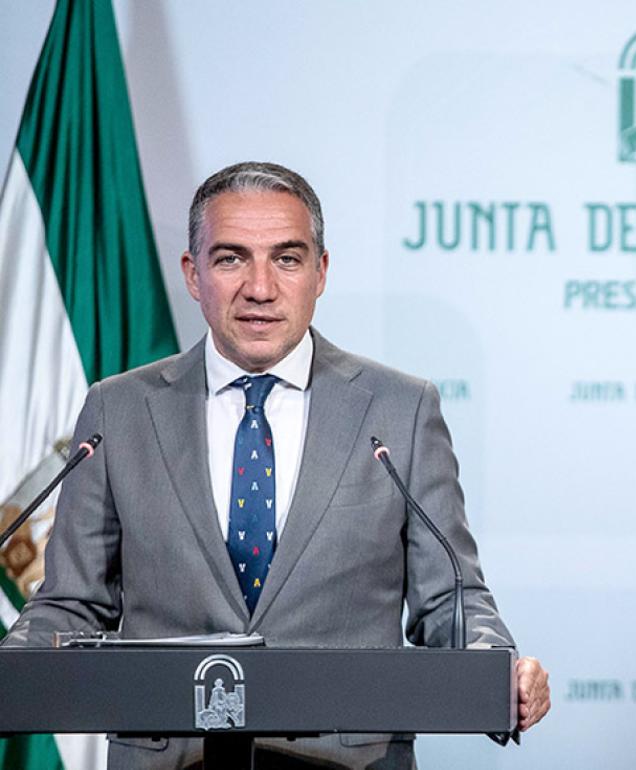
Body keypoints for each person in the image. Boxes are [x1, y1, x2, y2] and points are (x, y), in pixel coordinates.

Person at [1, 161, 550, 768]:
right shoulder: (119, 409)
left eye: (287, 259)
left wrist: (495, 666)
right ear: (193, 274)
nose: (259, 288)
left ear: (321, 272)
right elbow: (71, 603)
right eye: (230, 259)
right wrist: (13, 665)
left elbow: (449, 597)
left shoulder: (400, 409)